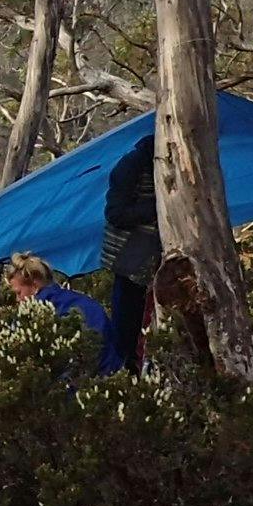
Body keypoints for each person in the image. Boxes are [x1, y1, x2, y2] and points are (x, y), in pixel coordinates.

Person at [97, 139, 159, 371]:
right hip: (130, 260)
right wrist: (157, 207)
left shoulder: (173, 163)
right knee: (127, 324)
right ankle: (125, 372)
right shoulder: (133, 165)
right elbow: (115, 213)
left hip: (154, 259)